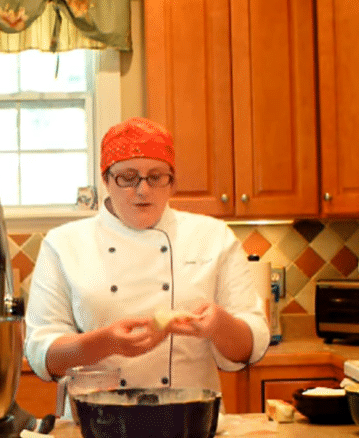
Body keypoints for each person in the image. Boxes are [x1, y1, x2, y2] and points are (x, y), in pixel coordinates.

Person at [24, 117, 270, 401]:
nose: (143, 190)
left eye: (156, 176)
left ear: (172, 182)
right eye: (128, 177)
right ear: (105, 179)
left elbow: (250, 347)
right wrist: (105, 342)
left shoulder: (213, 236)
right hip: (98, 418)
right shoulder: (64, 243)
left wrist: (220, 325)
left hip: (189, 417)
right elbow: (42, 355)